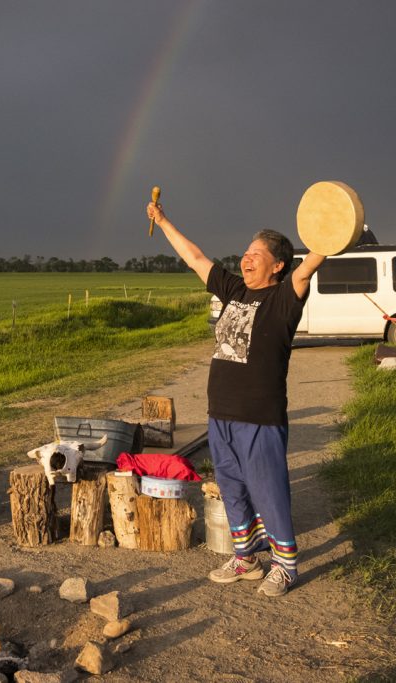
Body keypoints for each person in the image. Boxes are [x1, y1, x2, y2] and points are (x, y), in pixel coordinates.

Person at [147, 200, 327, 597]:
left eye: (256, 255)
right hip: (221, 413)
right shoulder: (233, 290)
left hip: (259, 416)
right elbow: (194, 257)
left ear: (277, 265)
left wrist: (330, 231)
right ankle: (246, 558)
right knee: (232, 488)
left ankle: (285, 565)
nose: (246, 260)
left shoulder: (284, 300)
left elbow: (310, 265)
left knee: (268, 489)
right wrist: (163, 222)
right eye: (245, 254)